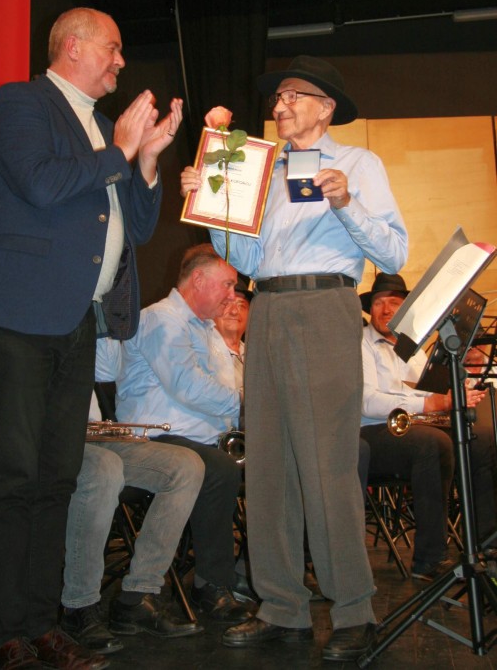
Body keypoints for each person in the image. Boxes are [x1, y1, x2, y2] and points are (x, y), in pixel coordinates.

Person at [0, 7, 182, 670]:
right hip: (14, 314)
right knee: (15, 476)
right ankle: (7, 636)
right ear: (73, 46)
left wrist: (147, 160)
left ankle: (42, 624)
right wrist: (120, 152)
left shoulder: (108, 131)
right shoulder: (20, 102)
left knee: (58, 478)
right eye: (113, 48)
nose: (121, 61)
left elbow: (138, 227)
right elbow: (42, 184)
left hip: (77, 321)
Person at [181, 56, 408, 661]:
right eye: (277, 97)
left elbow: (394, 251)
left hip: (325, 305)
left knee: (327, 465)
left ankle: (354, 609)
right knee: (269, 466)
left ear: (326, 108)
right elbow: (248, 261)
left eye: (292, 96)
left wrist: (346, 202)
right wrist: (214, 204)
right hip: (269, 308)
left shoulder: (358, 164)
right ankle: (281, 606)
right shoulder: (263, 167)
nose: (279, 105)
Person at [116, 244, 255, 625]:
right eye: (227, 285)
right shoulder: (161, 319)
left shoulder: (201, 328)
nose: (232, 296)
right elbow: (188, 387)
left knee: (275, 463)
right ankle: (211, 586)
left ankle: (248, 571)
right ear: (198, 279)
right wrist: (247, 405)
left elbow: (216, 387)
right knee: (219, 469)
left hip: (193, 439)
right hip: (153, 438)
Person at [61, 338, 205, 647]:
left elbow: (108, 370)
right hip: (46, 439)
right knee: (104, 469)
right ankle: (79, 606)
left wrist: (104, 323)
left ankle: (137, 598)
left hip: (92, 434)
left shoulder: (77, 320)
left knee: (186, 466)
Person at [360, 272, 497, 579]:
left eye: (394, 303)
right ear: (371, 309)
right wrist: (430, 404)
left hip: (413, 427)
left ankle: (488, 544)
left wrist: (460, 390)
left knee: (481, 437)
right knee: (433, 444)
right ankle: (430, 558)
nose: (386, 310)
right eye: (379, 303)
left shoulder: (411, 347)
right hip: (372, 434)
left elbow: (432, 388)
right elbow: (367, 402)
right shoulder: (361, 344)